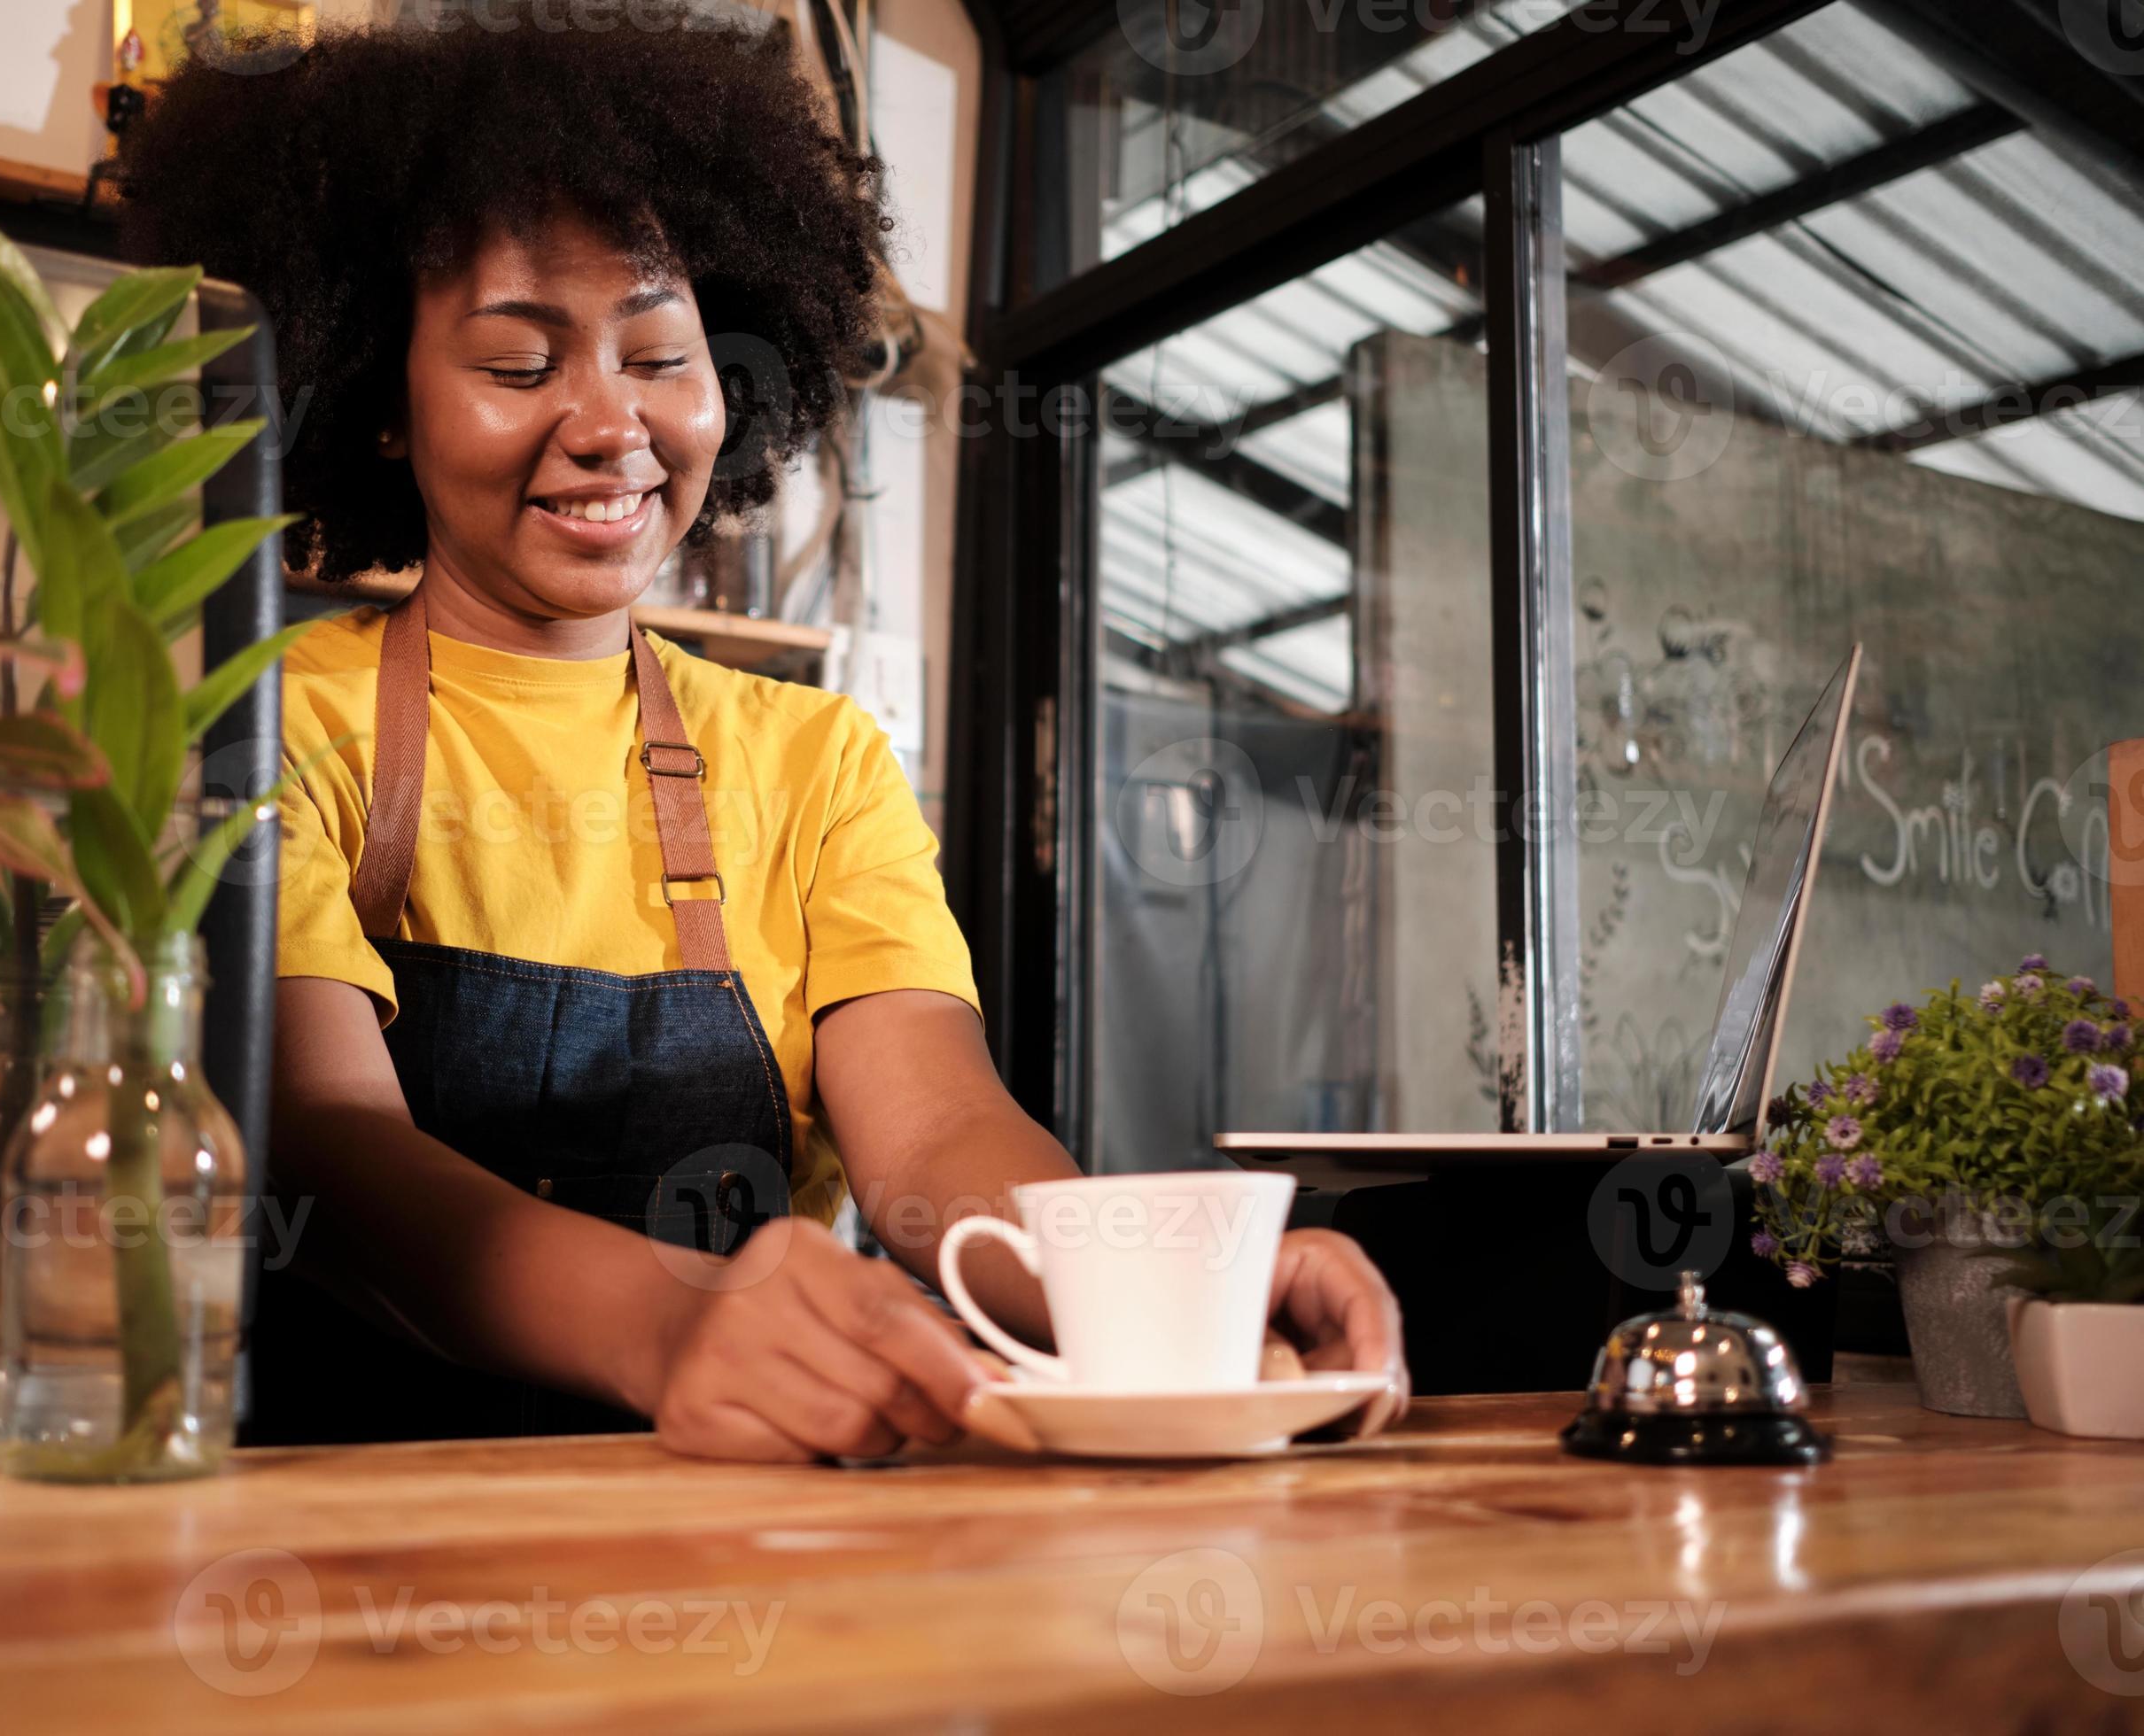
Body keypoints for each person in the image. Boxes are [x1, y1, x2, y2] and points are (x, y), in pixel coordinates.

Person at [117, 4, 1407, 1461]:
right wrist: (672, 1327)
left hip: (747, 1527)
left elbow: (931, 1143)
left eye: (662, 355)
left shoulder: (817, 759)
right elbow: (331, 1157)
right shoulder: (278, 721)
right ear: (381, 404)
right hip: (368, 1525)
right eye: (520, 366)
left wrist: (1145, 1283)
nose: (614, 425)